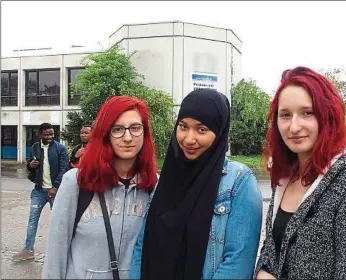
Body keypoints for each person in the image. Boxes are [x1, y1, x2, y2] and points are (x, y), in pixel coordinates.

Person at [255, 66, 346, 280]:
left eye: (307, 113)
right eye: (285, 115)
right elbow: (272, 249)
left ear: (328, 117)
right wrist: (263, 270)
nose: (294, 126)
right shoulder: (285, 177)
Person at [130, 89, 263, 280]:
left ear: (219, 133)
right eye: (183, 127)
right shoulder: (167, 181)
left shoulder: (238, 181)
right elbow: (142, 248)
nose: (189, 139)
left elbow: (237, 262)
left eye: (202, 130)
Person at [42, 96, 158, 279]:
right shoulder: (76, 182)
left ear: (145, 133)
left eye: (135, 128)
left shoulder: (155, 186)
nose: (128, 137)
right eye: (118, 129)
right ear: (105, 134)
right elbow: (56, 252)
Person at [12, 123, 69, 261]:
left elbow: (64, 169)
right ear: (40, 135)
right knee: (32, 220)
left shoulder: (60, 148)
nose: (50, 136)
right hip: (38, 191)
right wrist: (30, 165)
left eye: (52, 134)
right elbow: (31, 164)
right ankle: (28, 249)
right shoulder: (35, 147)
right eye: (47, 134)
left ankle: (61, 252)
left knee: (59, 222)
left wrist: (55, 187)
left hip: (55, 192)